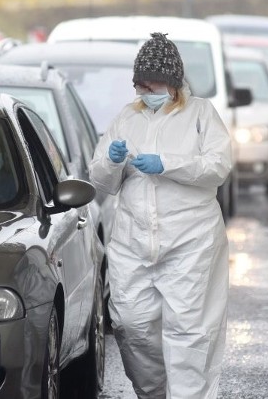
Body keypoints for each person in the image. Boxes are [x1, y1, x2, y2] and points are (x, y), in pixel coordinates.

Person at [89, 32, 232, 399]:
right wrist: (112, 161)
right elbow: (100, 179)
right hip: (134, 243)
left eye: (149, 83)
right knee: (131, 325)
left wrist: (166, 164)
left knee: (188, 332)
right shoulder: (126, 118)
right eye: (139, 83)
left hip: (190, 241)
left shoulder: (201, 115)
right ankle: (154, 393)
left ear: (171, 81)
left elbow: (218, 167)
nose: (142, 90)